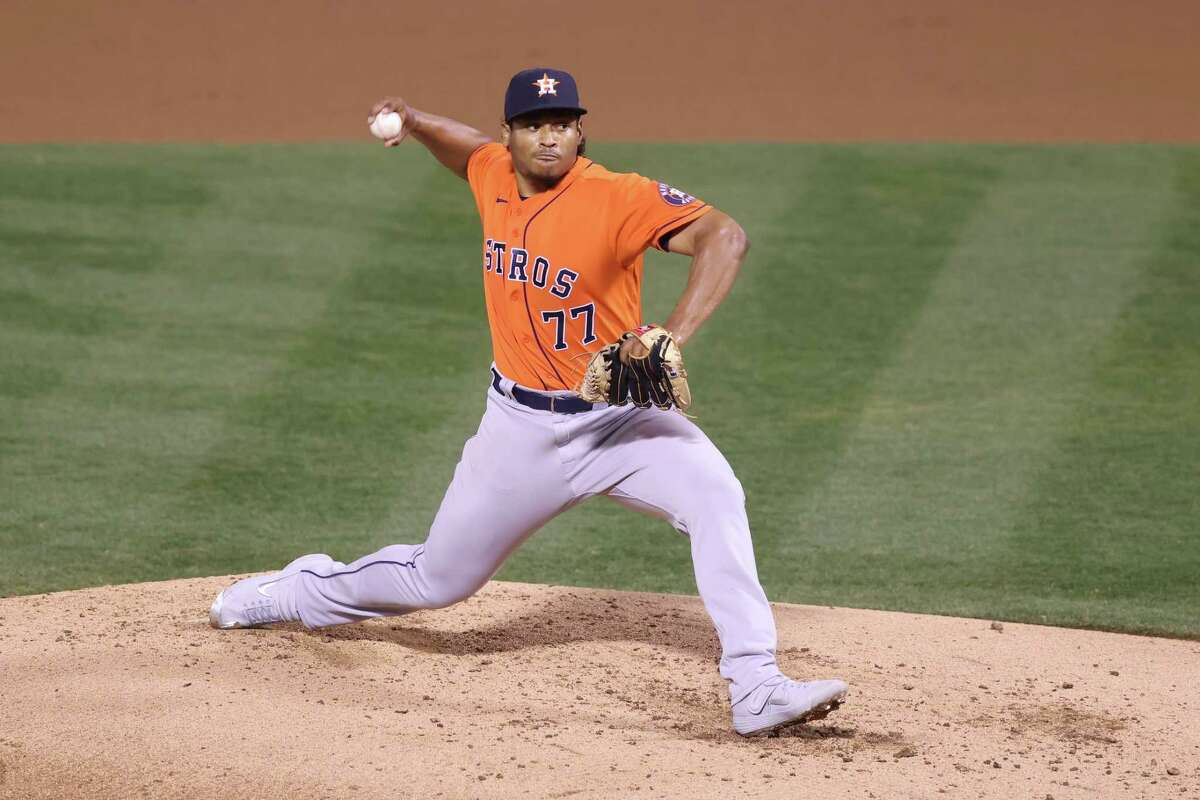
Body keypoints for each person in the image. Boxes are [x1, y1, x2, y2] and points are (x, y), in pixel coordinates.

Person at [209, 67, 847, 736]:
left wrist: (670, 334)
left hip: (621, 420)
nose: (550, 138)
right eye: (535, 125)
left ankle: (756, 684)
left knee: (717, 496)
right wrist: (421, 122)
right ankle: (300, 591)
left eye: (563, 124)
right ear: (511, 134)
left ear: (581, 131)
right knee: (438, 580)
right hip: (517, 432)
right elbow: (469, 152)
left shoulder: (617, 196)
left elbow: (726, 236)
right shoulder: (492, 173)